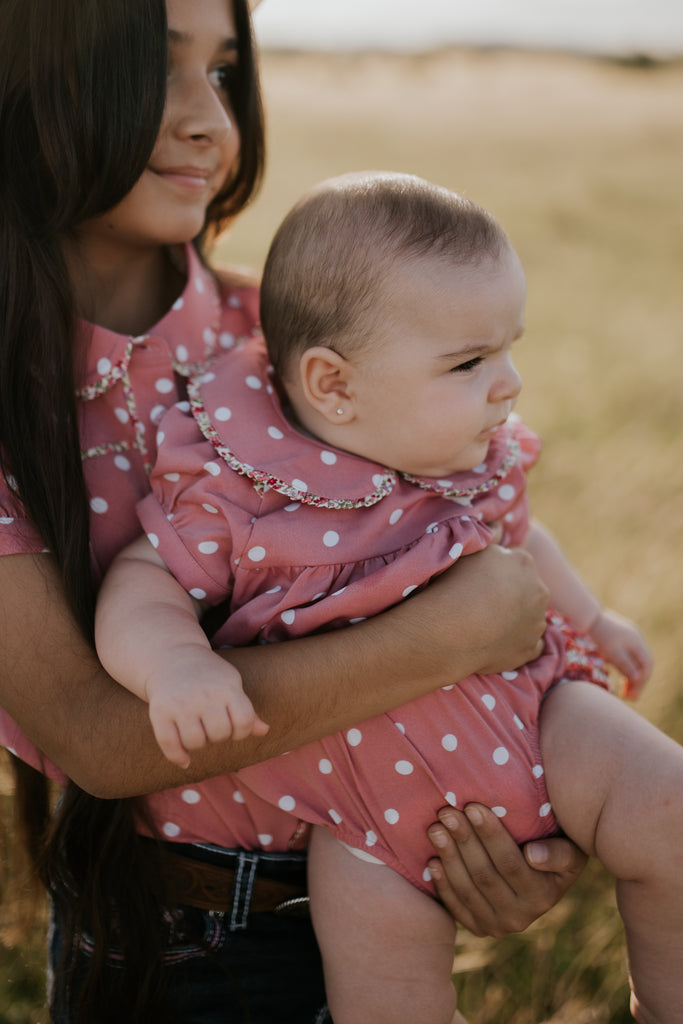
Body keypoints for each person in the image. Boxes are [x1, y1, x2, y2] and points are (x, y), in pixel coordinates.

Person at [0, 2, 591, 1021]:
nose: (207, 122)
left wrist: (523, 832)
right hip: (173, 949)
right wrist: (446, 636)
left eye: (225, 73)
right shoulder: (14, 402)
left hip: (385, 893)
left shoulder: (290, 337)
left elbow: (460, 524)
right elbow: (101, 737)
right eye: (153, 71)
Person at [95, 171, 682, 1024]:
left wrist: (591, 618)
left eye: (508, 348)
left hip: (532, 718)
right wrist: (177, 664)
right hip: (355, 805)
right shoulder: (242, 486)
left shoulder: (470, 456)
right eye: (469, 362)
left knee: (667, 803)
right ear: (334, 386)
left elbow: (522, 537)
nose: (508, 383)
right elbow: (141, 578)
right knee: (385, 985)